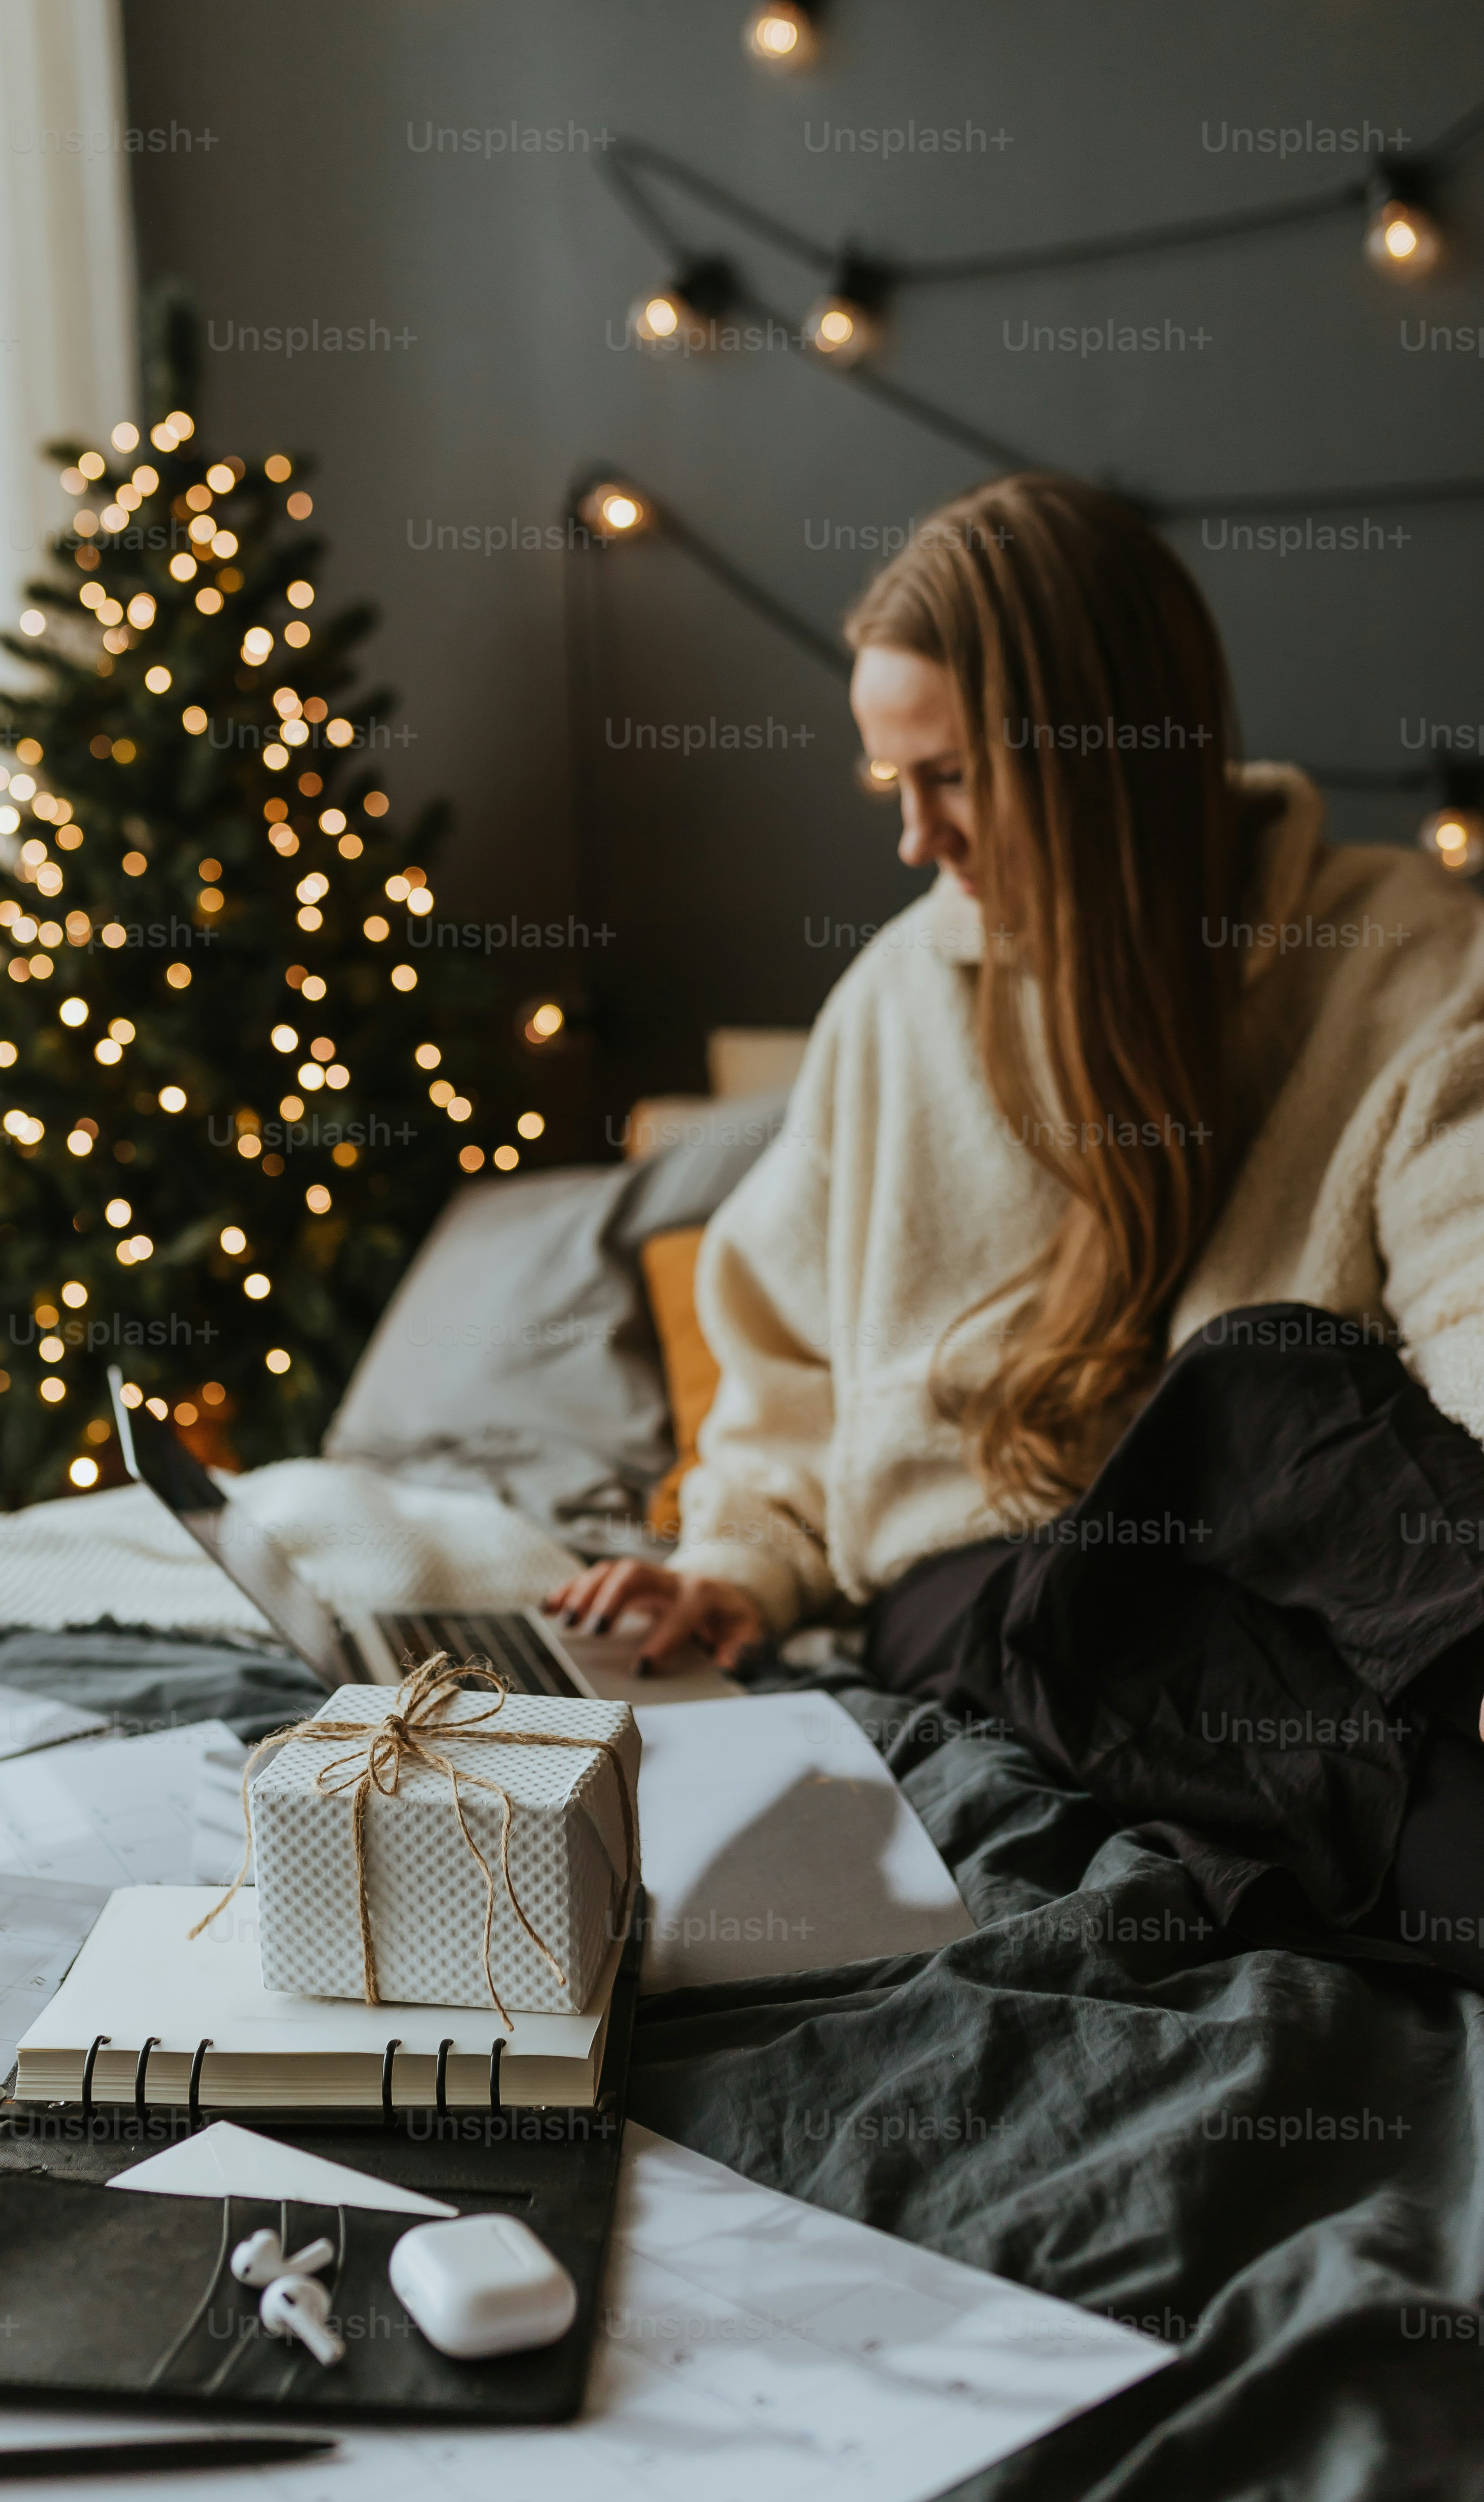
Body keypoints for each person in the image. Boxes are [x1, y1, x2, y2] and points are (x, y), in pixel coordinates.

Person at [548, 471, 1484, 1976]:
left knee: (1262, 1377)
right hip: (985, 1577)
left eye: (951, 778)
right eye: (891, 786)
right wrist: (731, 1565)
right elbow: (789, 1377)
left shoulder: (1399, 958)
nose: (916, 841)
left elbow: (1472, 1287)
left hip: (1277, 1548)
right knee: (1230, 1688)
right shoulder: (887, 1007)